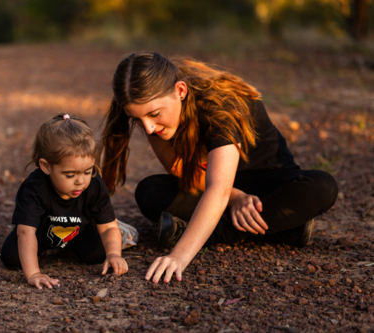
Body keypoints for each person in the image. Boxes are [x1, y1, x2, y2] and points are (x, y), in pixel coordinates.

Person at [99, 52, 338, 284]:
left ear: (180, 91)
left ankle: (207, 232)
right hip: (218, 186)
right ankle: (286, 228)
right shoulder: (152, 119)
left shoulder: (221, 104)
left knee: (322, 186)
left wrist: (179, 257)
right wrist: (236, 197)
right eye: (138, 119)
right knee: (150, 192)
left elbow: (218, 190)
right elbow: (182, 170)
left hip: (268, 187)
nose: (149, 128)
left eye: (154, 114)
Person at [1, 114, 128, 290]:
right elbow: (25, 232)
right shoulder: (35, 188)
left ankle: (123, 231)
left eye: (87, 171)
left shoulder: (94, 184)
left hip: (80, 231)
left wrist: (114, 254)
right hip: (40, 233)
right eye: (70, 175)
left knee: (98, 254)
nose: (80, 181)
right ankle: (47, 249)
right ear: (46, 166)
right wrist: (34, 274)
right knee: (12, 258)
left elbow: (107, 228)